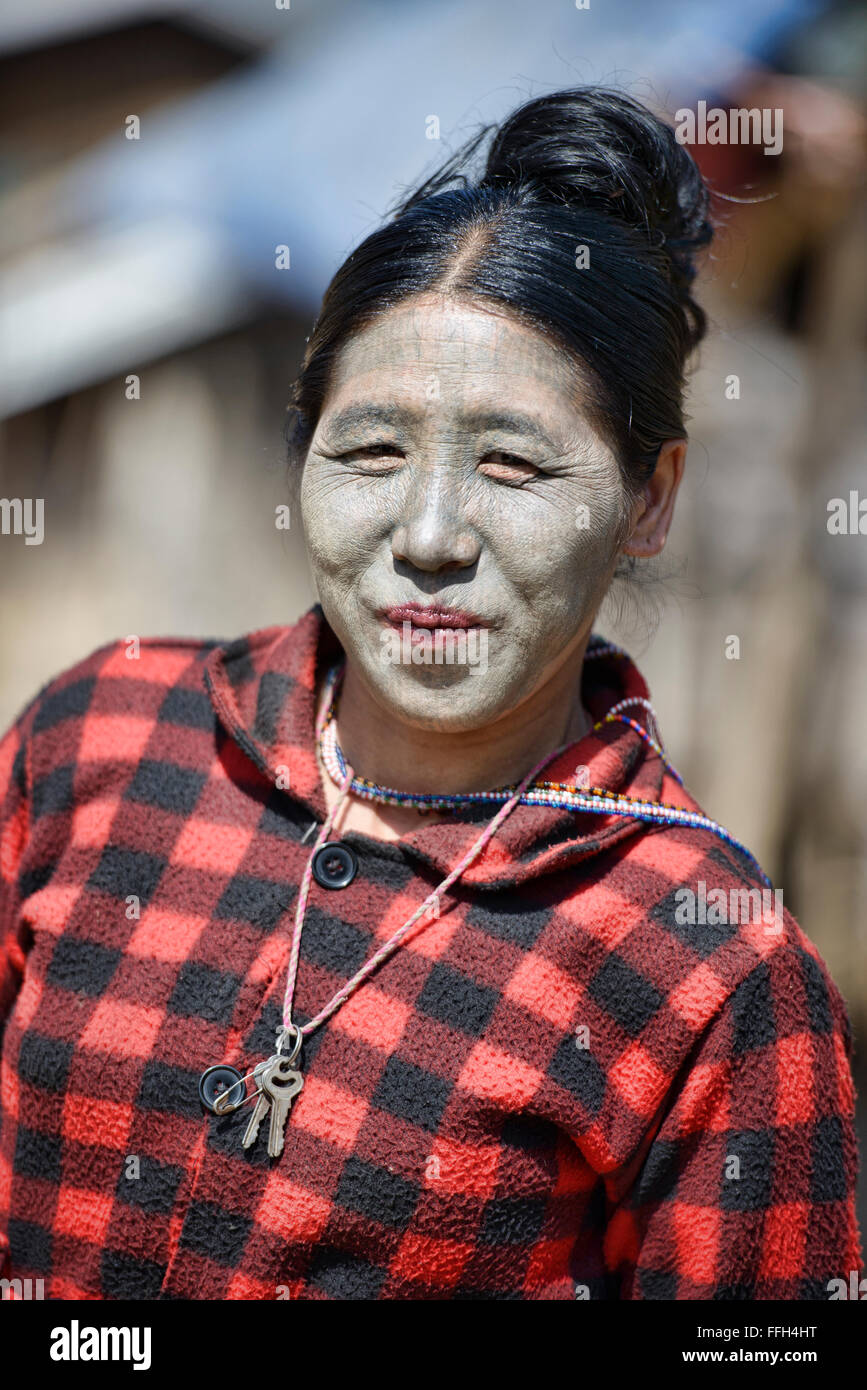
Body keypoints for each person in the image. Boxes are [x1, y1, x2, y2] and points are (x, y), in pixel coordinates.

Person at [0, 88, 860, 1301]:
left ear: (649, 500)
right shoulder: (97, 739)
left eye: (513, 463)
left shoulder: (711, 967)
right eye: (368, 452)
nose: (430, 534)